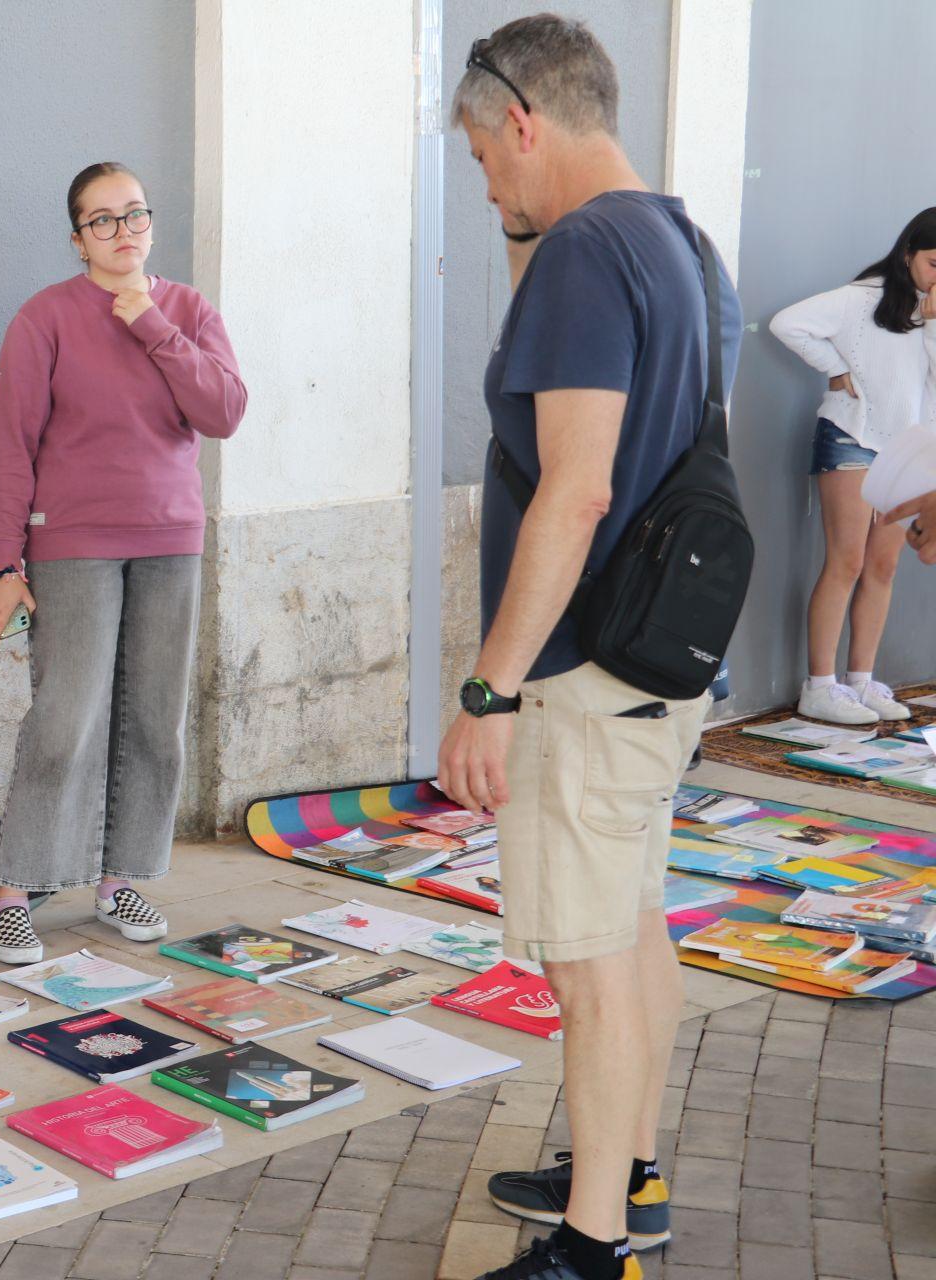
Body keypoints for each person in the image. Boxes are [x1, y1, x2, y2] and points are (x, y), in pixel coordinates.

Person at [438, 16, 743, 1280]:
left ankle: (594, 1243)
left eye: (480, 151)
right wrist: (527, 230)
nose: (484, 181)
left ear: (522, 119)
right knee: (634, 927)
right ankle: (631, 1168)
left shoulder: (581, 255)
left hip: (585, 665)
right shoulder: (676, 239)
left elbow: (573, 490)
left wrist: (487, 687)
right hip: (660, 661)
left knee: (591, 960)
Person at [0, 161, 246, 965]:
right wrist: (3, 564)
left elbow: (223, 412)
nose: (122, 233)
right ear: (77, 239)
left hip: (171, 538)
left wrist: (152, 325)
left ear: (151, 224)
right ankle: (15, 890)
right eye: (102, 221)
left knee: (155, 720)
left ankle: (120, 876)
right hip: (72, 543)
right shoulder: (44, 319)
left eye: (134, 215)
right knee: (65, 717)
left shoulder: (189, 311)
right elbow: (10, 446)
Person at [769, 207, 936, 724]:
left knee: (883, 567)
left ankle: (861, 682)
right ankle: (819, 686)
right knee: (847, 561)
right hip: (850, 438)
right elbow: (786, 323)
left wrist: (931, 324)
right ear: (909, 254)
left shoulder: (929, 314)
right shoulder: (860, 298)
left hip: (904, 449)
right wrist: (836, 370)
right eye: (934, 262)